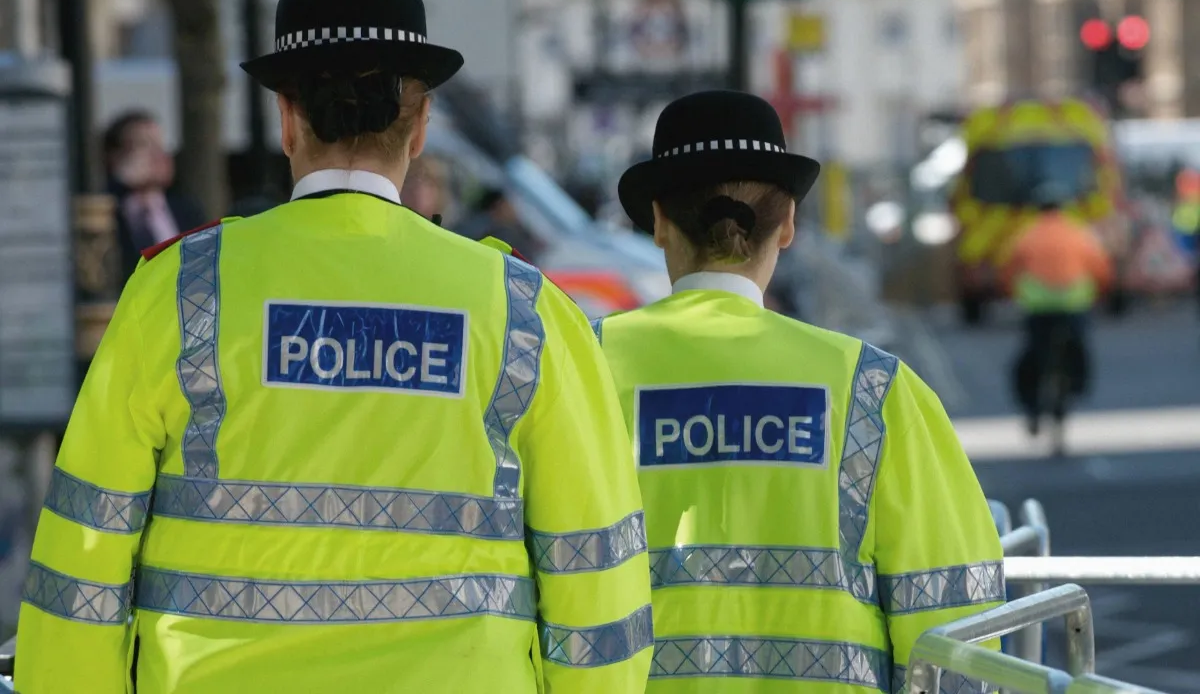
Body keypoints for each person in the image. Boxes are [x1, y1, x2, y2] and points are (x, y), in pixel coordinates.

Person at [16, 0, 652, 694]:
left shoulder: (182, 291)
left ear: (287, 119)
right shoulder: (525, 312)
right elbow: (594, 577)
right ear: (420, 125)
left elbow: (84, 555)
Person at [590, 91, 1004, 693]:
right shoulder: (874, 388)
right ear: (786, 225)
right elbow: (952, 624)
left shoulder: (581, 367)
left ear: (657, 221)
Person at [1004, 181, 1113, 435]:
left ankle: (1032, 408)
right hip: (1073, 306)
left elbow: (1009, 271)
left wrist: (1012, 293)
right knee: (1079, 350)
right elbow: (1101, 268)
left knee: (1030, 359)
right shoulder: (1079, 233)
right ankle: (1076, 386)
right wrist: (1102, 292)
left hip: (1039, 309)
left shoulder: (1027, 234)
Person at [103, 110, 208, 285]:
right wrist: (119, 184)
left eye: (161, 144)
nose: (159, 154)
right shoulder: (107, 209)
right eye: (144, 145)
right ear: (116, 157)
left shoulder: (187, 210)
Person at [454, 187, 542, 261]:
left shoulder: (500, 229)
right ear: (498, 206)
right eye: (507, 204)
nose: (513, 209)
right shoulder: (483, 228)